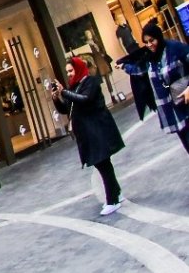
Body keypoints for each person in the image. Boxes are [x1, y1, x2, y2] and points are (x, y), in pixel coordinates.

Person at [49, 56, 126, 215]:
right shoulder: (75, 85)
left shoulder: (90, 82)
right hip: (88, 132)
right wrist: (56, 98)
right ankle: (116, 193)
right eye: (67, 72)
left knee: (102, 163)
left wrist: (64, 91)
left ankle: (112, 200)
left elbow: (85, 100)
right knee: (102, 164)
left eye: (71, 70)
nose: (69, 74)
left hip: (97, 129)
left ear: (78, 69)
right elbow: (66, 109)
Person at [121, 20, 189, 153]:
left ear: (158, 37)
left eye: (152, 40)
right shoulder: (150, 56)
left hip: (186, 101)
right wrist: (124, 65)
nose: (149, 45)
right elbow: (139, 70)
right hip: (173, 107)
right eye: (146, 42)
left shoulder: (174, 48)